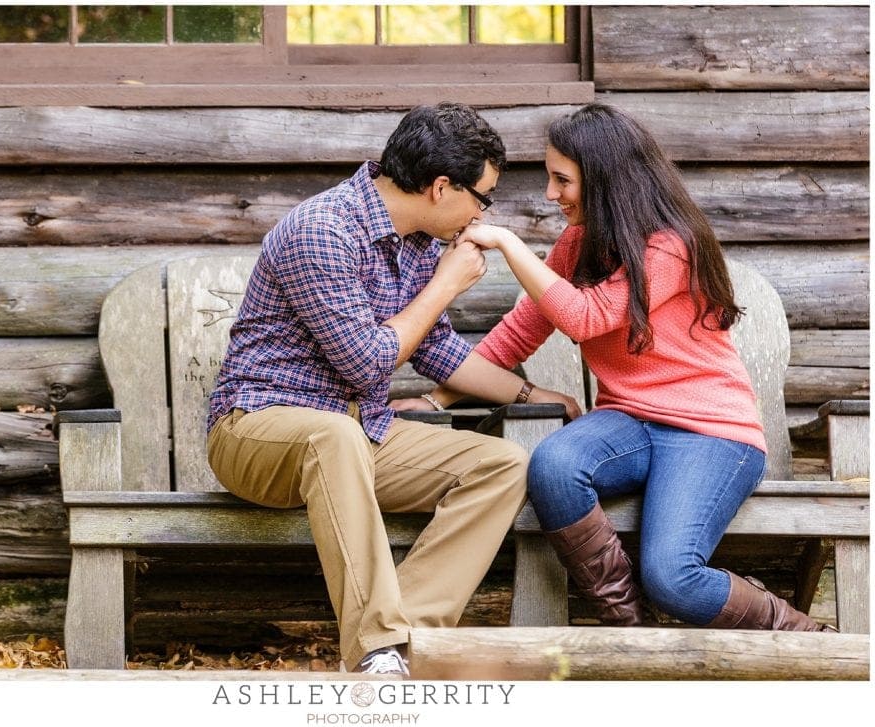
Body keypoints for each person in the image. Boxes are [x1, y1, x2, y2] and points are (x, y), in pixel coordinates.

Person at [414, 103, 832, 632]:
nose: (550, 193)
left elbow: (587, 318)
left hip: (711, 435)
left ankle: (803, 633)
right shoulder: (577, 243)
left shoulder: (671, 246)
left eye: (562, 179)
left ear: (604, 178)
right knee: (554, 466)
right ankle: (628, 630)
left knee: (673, 580)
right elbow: (522, 331)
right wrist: (435, 401)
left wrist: (508, 243)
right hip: (628, 423)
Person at [206, 102, 582, 676]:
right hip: (257, 432)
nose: (483, 214)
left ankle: (406, 643)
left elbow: (440, 353)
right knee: (331, 436)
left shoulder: (419, 243)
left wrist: (534, 397)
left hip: (359, 436)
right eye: (483, 198)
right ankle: (374, 649)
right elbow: (366, 363)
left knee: (501, 464)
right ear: (440, 187)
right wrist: (444, 286)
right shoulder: (322, 229)